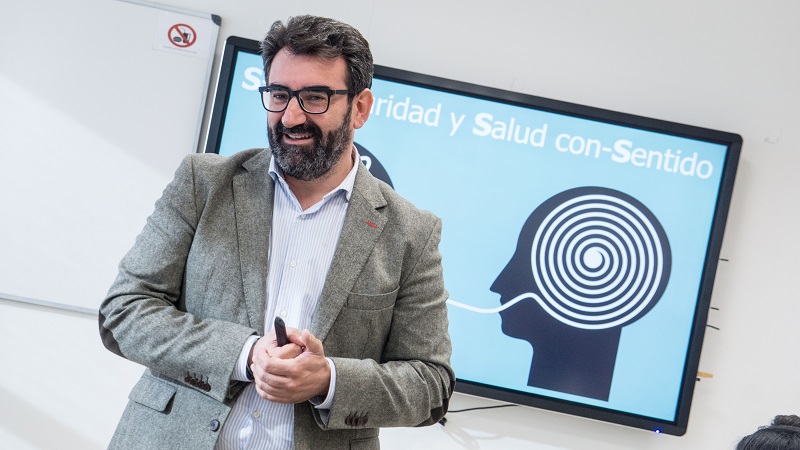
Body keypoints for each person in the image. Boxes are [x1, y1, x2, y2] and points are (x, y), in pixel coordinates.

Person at [98, 15, 454, 450]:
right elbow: (124, 312)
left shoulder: (411, 233)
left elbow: (431, 385)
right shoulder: (203, 184)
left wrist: (328, 379)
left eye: (315, 97)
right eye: (279, 95)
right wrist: (245, 354)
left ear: (360, 107)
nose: (291, 116)